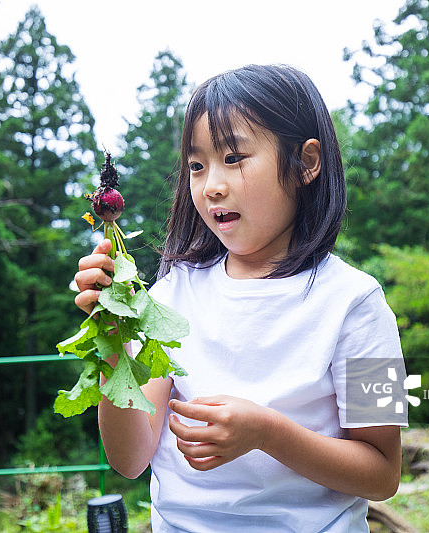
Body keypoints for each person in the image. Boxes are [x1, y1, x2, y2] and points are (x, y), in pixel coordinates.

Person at [73, 64, 406, 532]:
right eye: (196, 165)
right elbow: (129, 459)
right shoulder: (170, 295)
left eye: (234, 158)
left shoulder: (359, 304)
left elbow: (383, 473)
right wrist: (109, 338)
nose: (211, 186)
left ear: (306, 163)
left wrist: (267, 432)